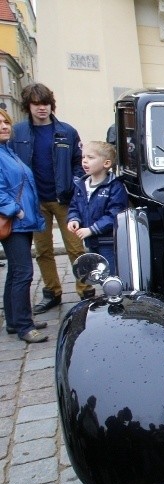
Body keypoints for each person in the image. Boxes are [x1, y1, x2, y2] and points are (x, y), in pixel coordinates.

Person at [11, 83, 92, 312]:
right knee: (43, 250)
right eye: (37, 104)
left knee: (76, 248)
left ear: (51, 104)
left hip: (64, 199)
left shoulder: (66, 131)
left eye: (45, 103)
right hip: (35, 202)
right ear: (28, 105)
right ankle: (52, 292)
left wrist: (76, 182)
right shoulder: (18, 132)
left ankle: (85, 290)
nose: (42, 108)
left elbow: (79, 161)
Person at [0, 108, 48, 343]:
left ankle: (14, 320)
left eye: (5, 122)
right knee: (23, 273)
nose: (4, 126)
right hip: (14, 221)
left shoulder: (7, 151)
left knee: (15, 272)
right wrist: (15, 210)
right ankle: (24, 325)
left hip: (21, 221)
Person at [67, 141, 128, 275]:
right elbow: (74, 206)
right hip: (91, 241)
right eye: (83, 157)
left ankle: (115, 295)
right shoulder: (81, 184)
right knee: (99, 274)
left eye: (90, 157)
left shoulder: (114, 186)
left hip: (108, 242)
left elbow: (115, 215)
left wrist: (91, 229)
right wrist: (74, 219)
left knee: (111, 274)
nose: (85, 161)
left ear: (106, 163)